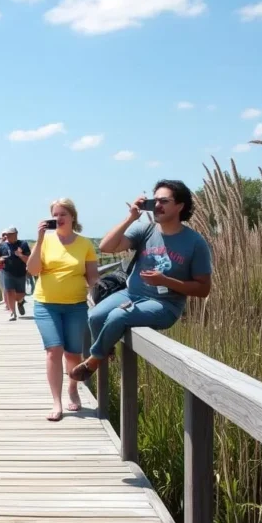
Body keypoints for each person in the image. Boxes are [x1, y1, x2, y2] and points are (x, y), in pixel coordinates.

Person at [71, 180, 212, 381]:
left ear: (180, 206)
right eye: (155, 200)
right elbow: (106, 247)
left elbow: (203, 289)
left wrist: (166, 281)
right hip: (130, 293)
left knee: (118, 317)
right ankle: (106, 350)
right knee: (94, 316)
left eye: (164, 201)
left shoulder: (195, 243)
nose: (157, 206)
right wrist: (130, 218)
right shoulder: (146, 230)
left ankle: (94, 361)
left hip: (165, 305)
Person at [26, 199, 98, 422]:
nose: (58, 218)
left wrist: (97, 292)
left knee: (73, 353)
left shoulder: (85, 244)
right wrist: (39, 240)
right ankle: (56, 402)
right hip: (46, 304)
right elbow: (33, 269)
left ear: (72, 217)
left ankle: (73, 388)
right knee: (53, 350)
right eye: (54, 215)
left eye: (63, 214)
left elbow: (93, 276)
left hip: (76, 305)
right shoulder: (45, 241)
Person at [0, 227, 31, 320]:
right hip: (7, 272)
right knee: (9, 292)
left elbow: (29, 260)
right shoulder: (2, 245)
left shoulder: (23, 244)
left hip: (21, 272)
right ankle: (13, 313)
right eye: (6, 234)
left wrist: (20, 255)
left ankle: (20, 302)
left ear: (16, 234)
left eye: (10, 234)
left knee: (20, 295)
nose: (7, 236)